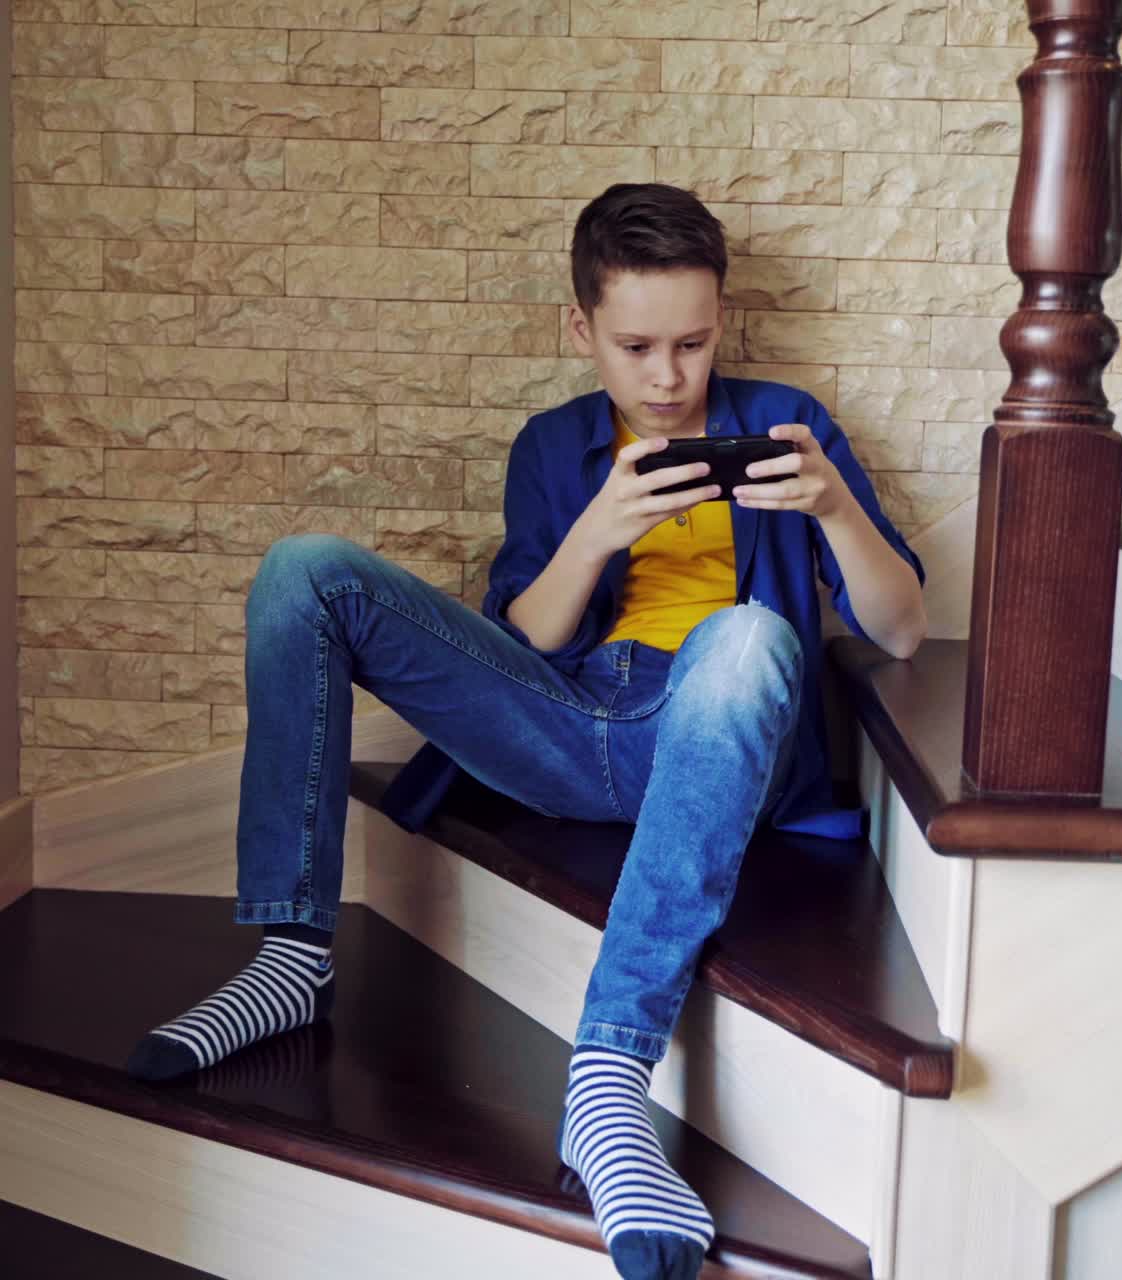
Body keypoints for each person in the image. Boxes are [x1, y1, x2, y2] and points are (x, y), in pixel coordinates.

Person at [125, 182, 926, 1280]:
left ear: (722, 321)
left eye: (691, 343)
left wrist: (833, 505)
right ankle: (290, 957)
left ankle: (605, 1078)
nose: (665, 377)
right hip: (567, 717)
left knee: (744, 635)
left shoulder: (787, 422)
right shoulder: (553, 446)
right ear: (578, 328)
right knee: (302, 571)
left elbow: (903, 627)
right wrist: (596, 532)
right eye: (635, 345)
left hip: (714, 727)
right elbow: (527, 640)